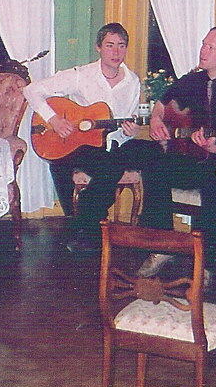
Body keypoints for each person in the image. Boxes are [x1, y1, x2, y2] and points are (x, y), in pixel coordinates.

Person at [120, 26, 216, 276]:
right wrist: (156, 121)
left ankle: (206, 264)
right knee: (150, 161)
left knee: (209, 177)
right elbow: (162, 103)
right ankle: (163, 244)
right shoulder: (194, 79)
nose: (203, 51)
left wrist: (214, 146)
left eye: (210, 47)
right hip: (191, 157)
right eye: (203, 44)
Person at [23, 23, 141, 254]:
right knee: (102, 165)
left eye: (121, 46)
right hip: (85, 146)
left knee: (129, 156)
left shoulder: (133, 81)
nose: (116, 53)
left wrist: (132, 130)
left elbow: (130, 123)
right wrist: (55, 120)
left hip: (115, 145)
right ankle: (90, 226)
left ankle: (85, 220)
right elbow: (32, 91)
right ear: (99, 47)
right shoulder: (81, 76)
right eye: (110, 46)